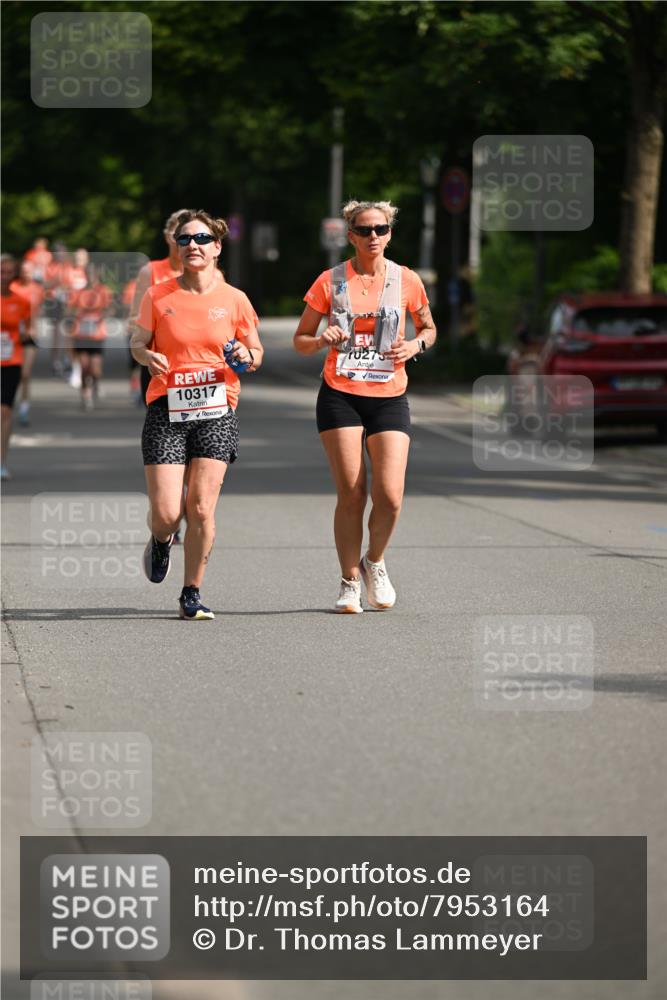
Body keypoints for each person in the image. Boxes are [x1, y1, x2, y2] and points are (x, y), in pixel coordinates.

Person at [293, 199, 437, 613]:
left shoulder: (407, 280)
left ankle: (374, 560)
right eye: (364, 229)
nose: (373, 236)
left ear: (390, 233)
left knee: (390, 495)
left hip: (390, 395)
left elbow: (428, 327)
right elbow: (301, 340)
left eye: (380, 229)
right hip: (340, 394)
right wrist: (322, 339)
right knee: (352, 493)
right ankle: (349, 580)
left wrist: (416, 344)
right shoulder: (330, 281)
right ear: (350, 235)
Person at [130, 209, 264, 621]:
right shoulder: (159, 296)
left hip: (216, 410)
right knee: (170, 513)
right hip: (167, 408)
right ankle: (160, 538)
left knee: (202, 508)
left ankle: (192, 592)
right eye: (185, 240)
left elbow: (255, 352)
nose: (193, 246)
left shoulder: (235, 299)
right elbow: (137, 340)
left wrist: (245, 354)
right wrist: (146, 354)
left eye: (202, 239)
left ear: (217, 247)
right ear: (177, 246)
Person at [130, 208, 189, 405]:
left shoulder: (214, 275)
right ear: (167, 237)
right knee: (165, 429)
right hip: (162, 365)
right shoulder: (150, 271)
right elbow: (134, 319)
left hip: (200, 366)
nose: (183, 239)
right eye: (177, 234)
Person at [1, 255, 34, 479]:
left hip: (11, 361)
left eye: (8, 272)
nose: (4, 276)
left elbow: (26, 333)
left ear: (15, 275)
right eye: (1, 272)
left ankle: (1, 461)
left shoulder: (21, 302)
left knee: (4, 411)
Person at [65, 264, 113, 410]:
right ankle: (85, 396)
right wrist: (77, 312)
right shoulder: (79, 292)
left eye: (94, 275)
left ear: (98, 276)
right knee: (84, 367)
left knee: (95, 370)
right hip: (81, 333)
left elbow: (110, 308)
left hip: (97, 334)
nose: (91, 277)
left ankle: (96, 384)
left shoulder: (104, 291)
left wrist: (103, 315)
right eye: (89, 275)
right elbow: (69, 309)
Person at [10, 259, 44, 426]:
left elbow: (38, 311)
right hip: (11, 338)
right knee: (9, 374)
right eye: (24, 271)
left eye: (29, 271)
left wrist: (34, 327)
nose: (26, 274)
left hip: (30, 337)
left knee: (25, 374)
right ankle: (8, 403)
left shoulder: (37, 290)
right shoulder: (12, 287)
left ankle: (24, 407)